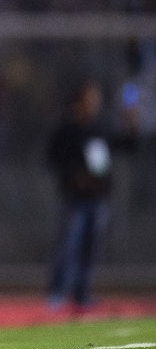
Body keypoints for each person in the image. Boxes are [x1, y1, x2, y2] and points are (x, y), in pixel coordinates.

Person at [45, 79, 136, 311]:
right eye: (90, 98)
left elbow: (125, 145)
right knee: (69, 245)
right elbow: (52, 159)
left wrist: (132, 125)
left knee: (90, 248)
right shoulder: (67, 129)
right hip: (74, 198)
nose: (94, 103)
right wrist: (73, 175)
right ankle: (57, 292)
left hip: (98, 197)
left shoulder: (99, 127)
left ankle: (81, 293)